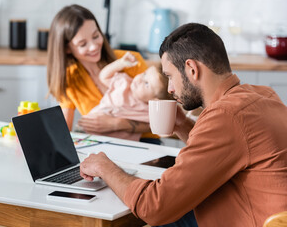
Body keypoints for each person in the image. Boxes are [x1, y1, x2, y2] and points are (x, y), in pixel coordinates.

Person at [79, 23, 287, 227]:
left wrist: (105, 167)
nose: (169, 89)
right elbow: (224, 152)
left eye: (170, 76)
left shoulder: (226, 116)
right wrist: (182, 125)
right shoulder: (261, 95)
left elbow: (154, 207)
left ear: (191, 69)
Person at [46, 4, 160, 144]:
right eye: (83, 44)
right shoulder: (70, 77)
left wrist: (116, 124)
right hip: (101, 146)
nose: (94, 46)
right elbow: (64, 129)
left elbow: (161, 120)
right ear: (67, 49)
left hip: (145, 143)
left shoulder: (130, 60)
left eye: (95, 36)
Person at [85, 51, 170, 141]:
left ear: (155, 99)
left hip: (121, 144)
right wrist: (120, 63)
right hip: (91, 130)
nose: (140, 79)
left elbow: (160, 130)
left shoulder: (148, 111)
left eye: (146, 84)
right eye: (145, 74)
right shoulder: (124, 83)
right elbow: (103, 77)